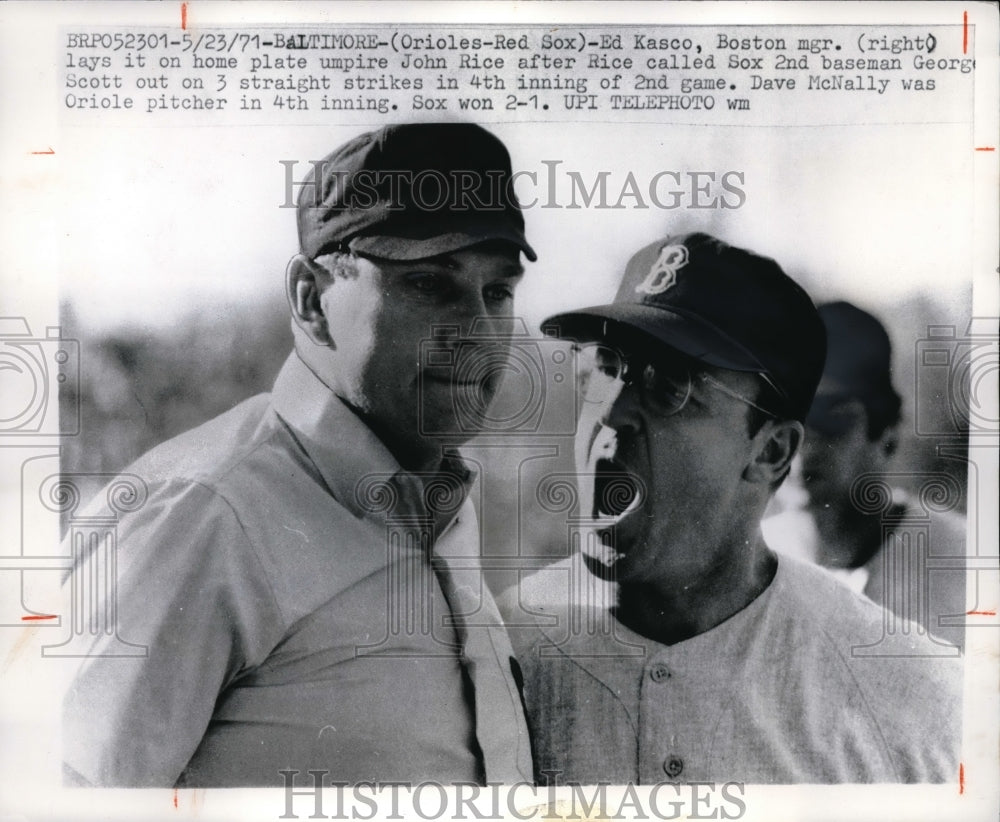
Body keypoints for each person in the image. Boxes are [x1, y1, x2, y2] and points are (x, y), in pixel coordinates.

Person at [59, 122, 536, 787]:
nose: (479, 332)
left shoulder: (439, 506)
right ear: (312, 299)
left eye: (498, 292)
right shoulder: (206, 512)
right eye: (430, 285)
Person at [506, 233, 962, 785]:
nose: (610, 416)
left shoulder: (908, 698)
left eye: (670, 386)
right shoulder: (502, 646)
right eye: (604, 368)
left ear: (771, 452)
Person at [763, 301, 967, 650]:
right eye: (785, 416)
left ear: (888, 433)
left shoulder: (964, 564)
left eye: (832, 419)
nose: (803, 446)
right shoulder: (742, 569)